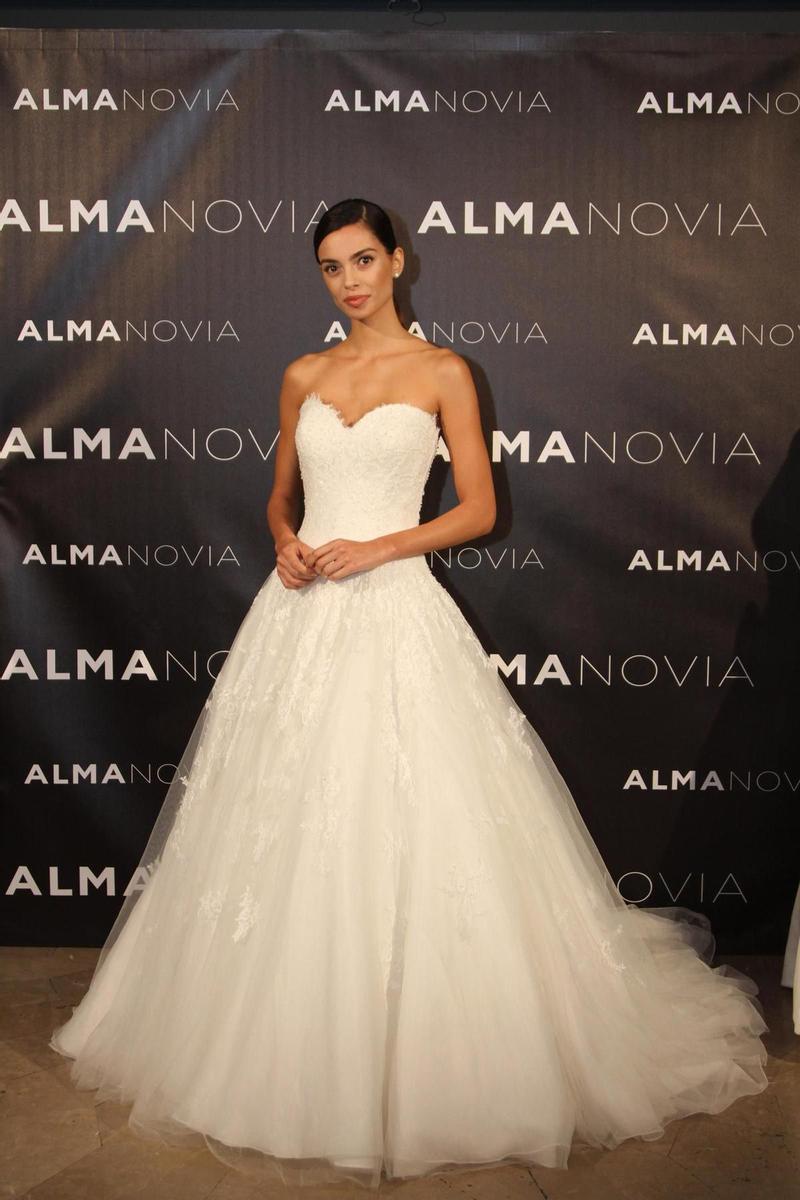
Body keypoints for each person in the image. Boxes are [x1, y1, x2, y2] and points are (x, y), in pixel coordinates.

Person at [49, 198, 770, 1191]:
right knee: (276, 829)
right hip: (295, 622)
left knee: (411, 822)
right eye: (330, 268)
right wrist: (285, 542)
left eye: (361, 260)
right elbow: (278, 492)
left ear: (397, 261)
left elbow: (477, 508)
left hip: (395, 610)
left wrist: (379, 546)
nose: (348, 281)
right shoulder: (303, 373)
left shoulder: (442, 373)